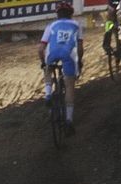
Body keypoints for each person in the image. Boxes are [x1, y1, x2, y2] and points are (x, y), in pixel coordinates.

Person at [39, 1, 84, 132]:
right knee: (70, 86)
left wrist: (43, 62)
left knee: (47, 68)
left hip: (52, 54)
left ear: (57, 15)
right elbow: (80, 48)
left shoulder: (51, 25)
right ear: (71, 14)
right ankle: (69, 120)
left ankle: (47, 94)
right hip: (69, 55)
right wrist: (79, 61)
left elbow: (41, 48)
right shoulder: (76, 25)